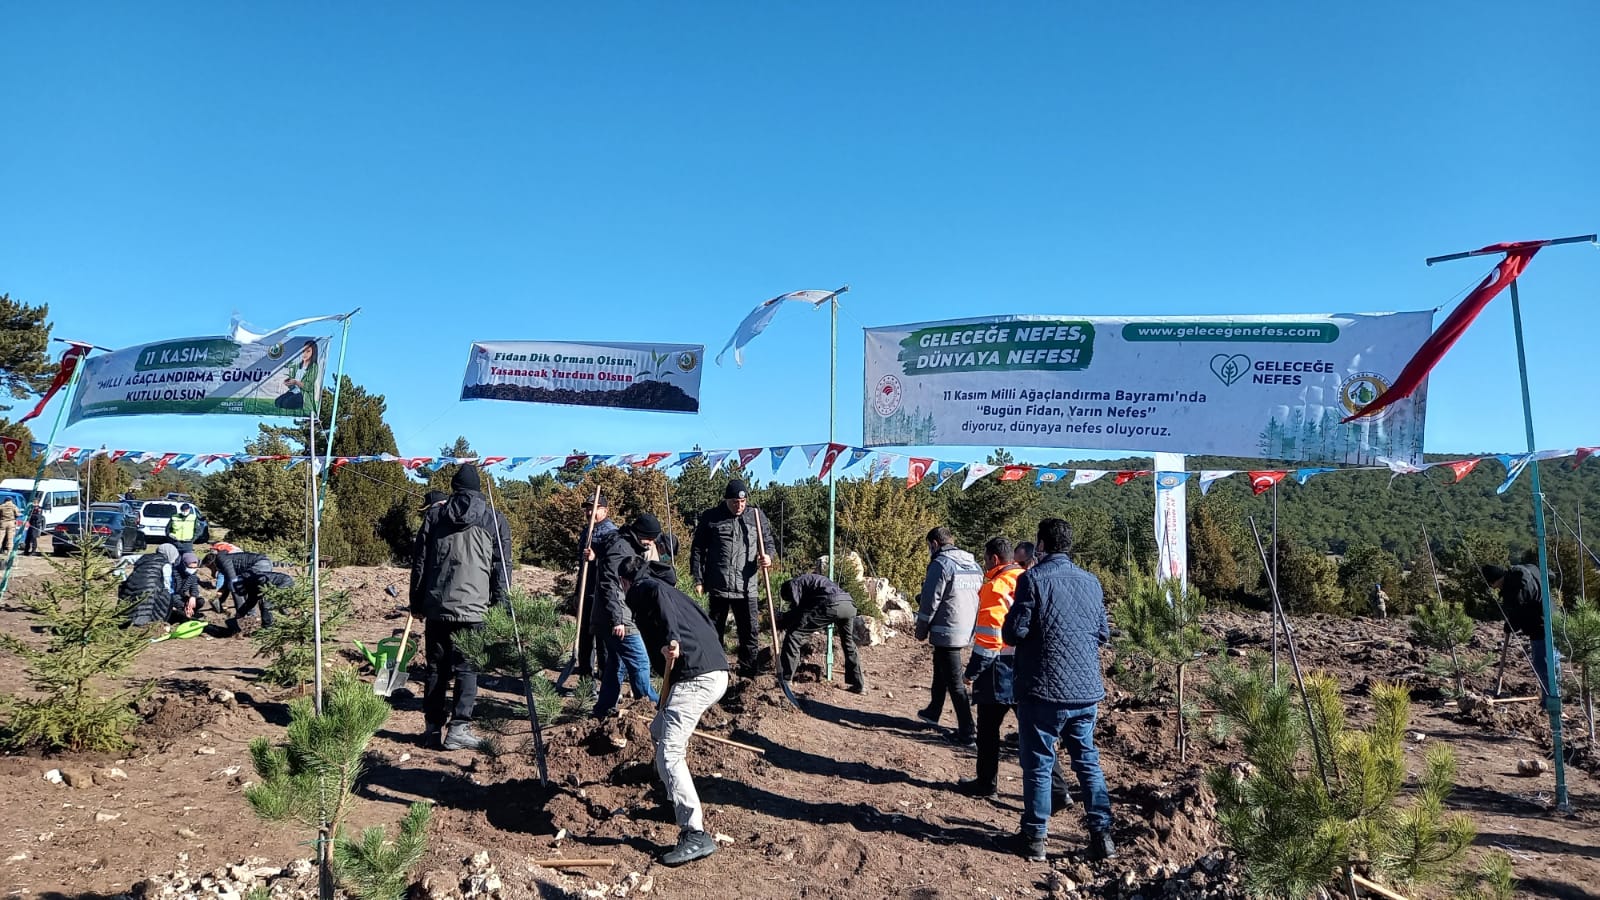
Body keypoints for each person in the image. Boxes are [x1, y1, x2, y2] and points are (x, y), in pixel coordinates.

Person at [1002, 518, 1115, 862]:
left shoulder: (1031, 579)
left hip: (1043, 690)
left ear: (1040, 544)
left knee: (1038, 762)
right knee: (1087, 761)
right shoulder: (1091, 582)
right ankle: (1103, 836)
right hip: (1085, 691)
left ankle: (1035, 838)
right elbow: (1103, 634)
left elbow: (1013, 633)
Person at [618, 554, 730, 867]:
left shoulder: (646, 589)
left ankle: (694, 833)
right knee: (658, 732)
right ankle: (673, 795)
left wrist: (672, 639)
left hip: (696, 677)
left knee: (669, 752)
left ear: (625, 582)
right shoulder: (675, 591)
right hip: (714, 671)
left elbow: (656, 602)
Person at [957, 537, 1074, 809]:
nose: (985, 564)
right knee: (1036, 732)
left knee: (987, 731)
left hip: (998, 670)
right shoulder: (1029, 577)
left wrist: (971, 672)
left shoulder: (994, 587)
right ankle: (1059, 791)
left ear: (994, 560)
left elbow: (989, 639)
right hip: (1029, 668)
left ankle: (986, 784)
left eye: (986, 559)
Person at [410, 464, 511, 751]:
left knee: (436, 668)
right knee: (468, 668)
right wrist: (502, 605)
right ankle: (459, 728)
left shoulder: (435, 515)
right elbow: (502, 567)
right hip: (475, 609)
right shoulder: (494, 519)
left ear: (454, 488)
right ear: (478, 489)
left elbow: (419, 562)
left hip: (437, 606)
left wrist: (416, 602)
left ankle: (431, 729)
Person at [690, 479, 774, 678]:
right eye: (735, 502)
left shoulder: (756, 516)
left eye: (742, 502)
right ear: (727, 500)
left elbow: (769, 542)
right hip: (719, 585)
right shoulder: (712, 518)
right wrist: (698, 579)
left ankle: (748, 674)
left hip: (747, 587)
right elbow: (698, 550)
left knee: (750, 633)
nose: (739, 506)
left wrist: (768, 556)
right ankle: (717, 673)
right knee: (714, 632)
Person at [914, 526, 982, 745]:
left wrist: (921, 629)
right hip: (967, 628)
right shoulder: (973, 564)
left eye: (928, 547)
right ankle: (933, 711)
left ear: (934, 544)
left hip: (946, 629)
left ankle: (967, 730)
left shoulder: (940, 564)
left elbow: (930, 599)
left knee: (954, 681)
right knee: (939, 667)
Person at [592, 513, 663, 718]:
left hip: (617, 616)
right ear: (641, 534)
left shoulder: (628, 545)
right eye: (650, 539)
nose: (651, 544)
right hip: (618, 618)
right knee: (640, 662)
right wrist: (618, 619)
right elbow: (610, 584)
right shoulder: (620, 548)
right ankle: (653, 707)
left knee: (617, 663)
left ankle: (603, 710)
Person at [1483, 563, 1559, 705]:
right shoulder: (1527, 569)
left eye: (1493, 585)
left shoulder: (1513, 588)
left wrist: (1511, 625)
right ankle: (1553, 696)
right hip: (1554, 617)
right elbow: (1550, 575)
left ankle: (1551, 702)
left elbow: (1518, 611)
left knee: (1543, 663)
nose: (1495, 588)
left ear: (1494, 581)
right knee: (1551, 661)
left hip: (1541, 625)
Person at [777, 573, 865, 692]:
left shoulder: (794, 584)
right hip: (848, 604)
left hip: (831, 604)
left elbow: (799, 612)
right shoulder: (811, 583)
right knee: (848, 642)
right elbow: (803, 612)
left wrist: (783, 619)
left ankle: (786, 680)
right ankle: (859, 684)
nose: (790, 602)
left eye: (788, 599)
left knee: (794, 635)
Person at [573, 491, 618, 679]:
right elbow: (582, 569)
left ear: (605, 511)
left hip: (602, 593)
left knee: (602, 640)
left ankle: (605, 679)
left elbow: (614, 563)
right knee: (584, 637)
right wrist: (577, 593)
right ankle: (585, 679)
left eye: (594, 508)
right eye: (588, 509)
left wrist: (596, 557)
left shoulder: (611, 532)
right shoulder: (586, 531)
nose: (590, 512)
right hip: (586, 591)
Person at [204, 547, 288, 633]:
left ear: (211, 563)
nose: (211, 570)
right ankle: (279, 612)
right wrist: (220, 594)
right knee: (256, 591)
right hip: (264, 562)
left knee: (258, 592)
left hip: (259, 564)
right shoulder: (223, 558)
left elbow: (232, 580)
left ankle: (251, 618)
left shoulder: (222, 560)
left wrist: (240, 612)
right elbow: (229, 580)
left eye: (210, 568)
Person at [123, 544, 181, 627]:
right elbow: (167, 583)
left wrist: (120, 576)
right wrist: (169, 596)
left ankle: (127, 623)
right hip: (152, 589)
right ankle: (148, 626)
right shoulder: (166, 565)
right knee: (149, 608)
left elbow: (124, 559)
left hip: (133, 584)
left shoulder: (143, 556)